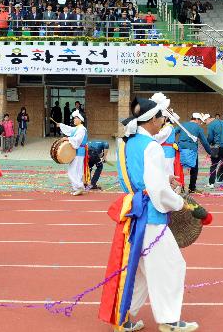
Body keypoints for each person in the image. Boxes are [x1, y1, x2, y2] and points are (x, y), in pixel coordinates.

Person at [99, 97, 199, 332]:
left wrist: (165, 178)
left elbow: (139, 179)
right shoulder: (151, 146)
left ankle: (123, 319)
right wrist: (179, 204)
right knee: (171, 265)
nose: (164, 120)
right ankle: (169, 320)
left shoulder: (126, 143)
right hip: (151, 216)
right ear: (152, 119)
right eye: (161, 116)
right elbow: (156, 190)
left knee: (141, 269)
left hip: (133, 211)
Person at [175, 113, 210, 194]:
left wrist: (175, 143)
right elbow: (204, 141)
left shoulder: (182, 124)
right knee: (194, 169)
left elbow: (172, 132)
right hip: (192, 149)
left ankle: (181, 187)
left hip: (180, 149)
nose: (200, 123)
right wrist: (209, 152)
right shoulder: (198, 128)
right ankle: (192, 188)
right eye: (200, 121)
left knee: (180, 169)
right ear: (197, 119)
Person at [57, 110, 89, 195]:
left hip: (79, 152)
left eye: (75, 118)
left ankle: (79, 187)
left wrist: (67, 139)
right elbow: (70, 129)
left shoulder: (82, 129)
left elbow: (77, 140)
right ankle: (78, 187)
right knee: (76, 171)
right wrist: (61, 125)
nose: (74, 119)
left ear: (80, 119)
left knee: (73, 171)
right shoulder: (77, 128)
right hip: (76, 152)